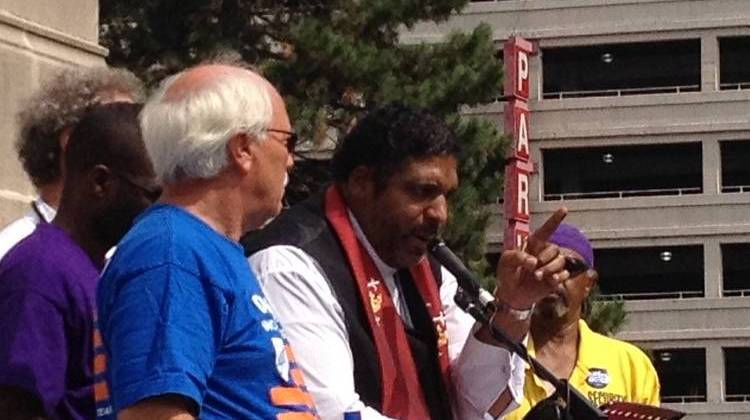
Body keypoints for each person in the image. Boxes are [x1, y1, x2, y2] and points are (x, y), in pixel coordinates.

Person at [244, 102, 571, 419]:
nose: (441, 213)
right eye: (422, 191)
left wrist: (513, 307)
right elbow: (327, 412)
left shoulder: (430, 269)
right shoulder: (290, 265)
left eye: (447, 195)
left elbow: (475, 404)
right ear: (362, 183)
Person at [96, 64, 319, 420]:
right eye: (287, 141)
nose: (291, 159)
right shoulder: (173, 252)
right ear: (242, 147)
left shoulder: (194, 248)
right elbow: (155, 416)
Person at [0, 103, 160, 420]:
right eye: (154, 195)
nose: (163, 212)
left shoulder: (95, 270)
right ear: (100, 182)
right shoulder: (40, 272)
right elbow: (16, 407)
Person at [506, 223, 660, 420]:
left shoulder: (630, 365)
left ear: (589, 283)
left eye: (569, 267)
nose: (554, 277)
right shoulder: (501, 360)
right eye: (542, 266)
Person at [0, 67, 143, 262]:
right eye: (120, 124)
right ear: (71, 140)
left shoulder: (122, 252)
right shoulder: (15, 252)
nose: (140, 143)